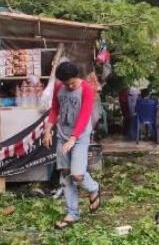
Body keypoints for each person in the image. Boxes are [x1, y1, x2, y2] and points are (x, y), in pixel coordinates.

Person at [43, 62, 101, 229]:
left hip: (80, 137)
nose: (69, 86)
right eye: (66, 83)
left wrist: (73, 139)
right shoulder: (59, 86)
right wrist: (48, 130)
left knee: (78, 175)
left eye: (72, 83)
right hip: (63, 135)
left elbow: (84, 116)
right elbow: (54, 110)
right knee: (66, 175)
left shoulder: (87, 89)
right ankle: (72, 213)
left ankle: (94, 188)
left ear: (78, 77)